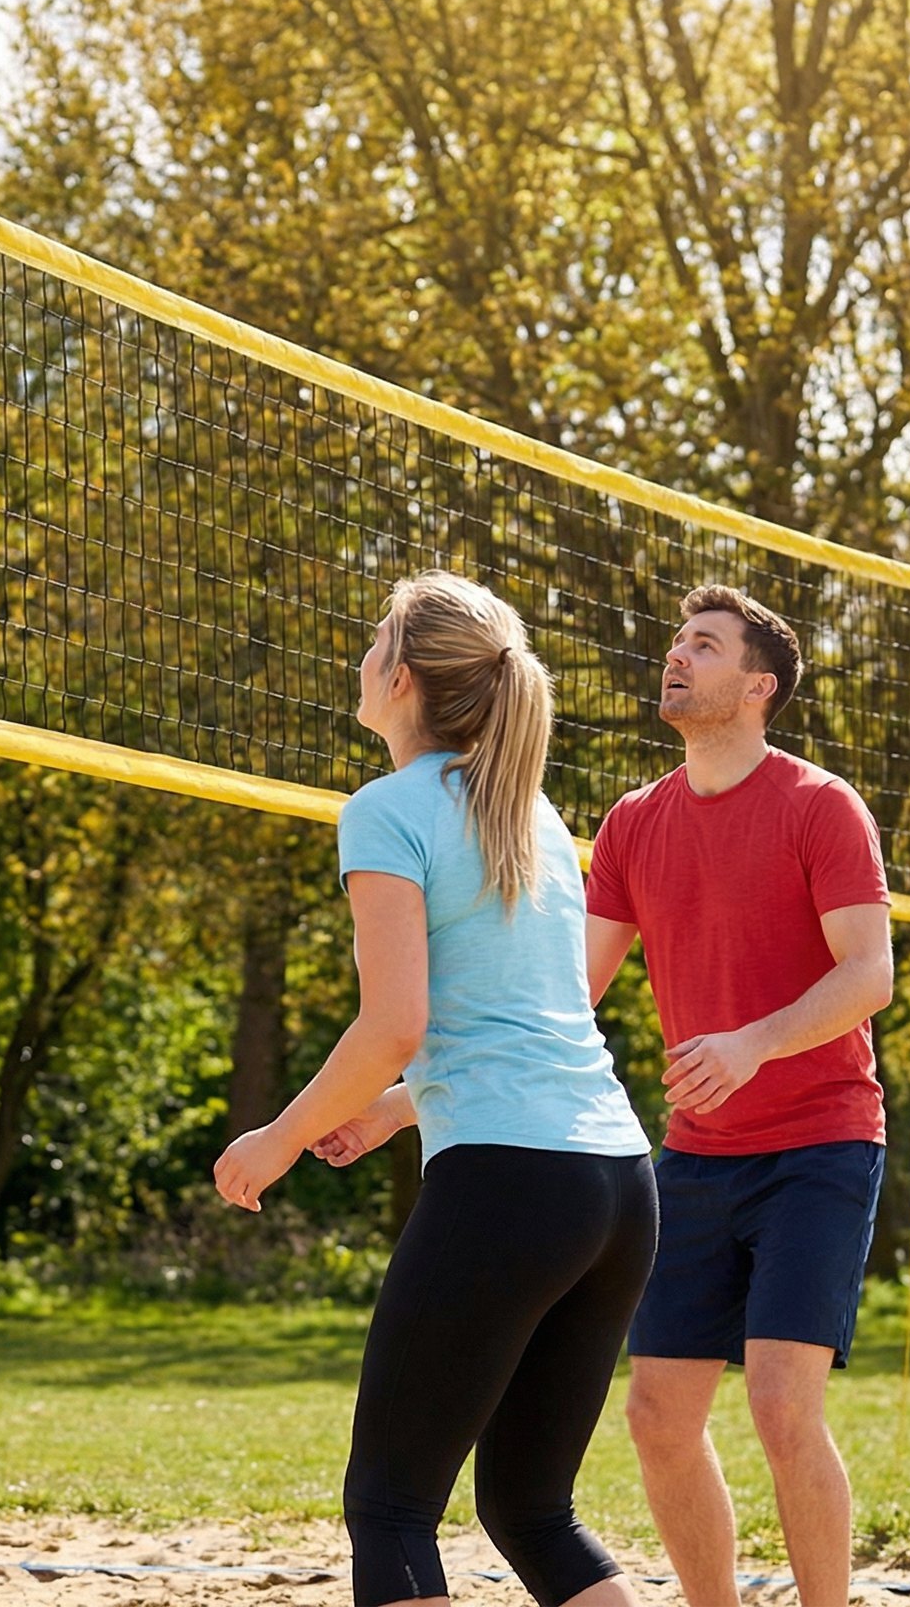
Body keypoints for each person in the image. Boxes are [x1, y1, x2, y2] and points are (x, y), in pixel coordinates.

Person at [215, 571, 656, 1607]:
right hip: (614, 1185)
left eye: (372, 642)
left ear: (400, 676)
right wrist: (391, 1108)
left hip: (510, 1185)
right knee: (532, 1513)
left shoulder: (386, 809)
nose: (359, 658)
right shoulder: (531, 815)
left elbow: (393, 1023)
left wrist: (277, 1137)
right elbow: (524, 1025)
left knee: (390, 1507)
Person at [587, 587, 894, 1607]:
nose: (675, 654)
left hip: (819, 1143)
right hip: (696, 1151)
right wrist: (413, 1085)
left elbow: (867, 974)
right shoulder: (631, 822)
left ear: (756, 685)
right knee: (656, 1416)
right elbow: (565, 993)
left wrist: (753, 1043)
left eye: (703, 644)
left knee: (776, 1402)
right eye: (676, 640)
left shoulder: (818, 802)